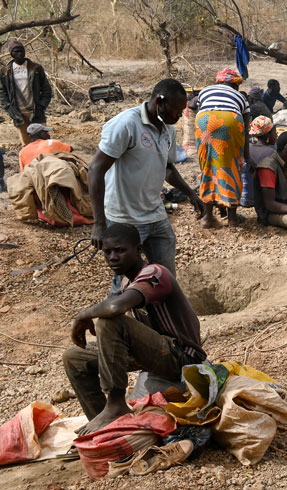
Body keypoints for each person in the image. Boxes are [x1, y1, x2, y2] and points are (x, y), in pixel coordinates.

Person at [63, 223, 206, 436]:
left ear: (138, 250)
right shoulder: (127, 283)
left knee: (109, 321)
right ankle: (104, 428)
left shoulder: (155, 273)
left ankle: (115, 404)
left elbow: (114, 308)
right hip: (157, 354)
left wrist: (83, 314)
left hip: (183, 357)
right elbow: (131, 329)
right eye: (108, 252)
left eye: (120, 250)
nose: (113, 257)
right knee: (75, 357)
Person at [88, 79, 204, 279]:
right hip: (125, 217)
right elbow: (96, 169)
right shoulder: (126, 124)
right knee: (126, 278)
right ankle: (120, 309)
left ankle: (161, 309)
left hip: (155, 214)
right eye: (176, 110)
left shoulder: (168, 129)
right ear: (160, 101)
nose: (178, 115)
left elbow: (167, 169)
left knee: (165, 275)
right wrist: (99, 223)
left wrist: (190, 194)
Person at [195, 68, 251, 228]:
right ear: (236, 85)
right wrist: (246, 155)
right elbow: (245, 130)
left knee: (208, 167)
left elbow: (197, 108)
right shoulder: (240, 97)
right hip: (230, 120)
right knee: (231, 166)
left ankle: (207, 217)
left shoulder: (205, 91)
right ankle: (232, 217)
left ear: (219, 81)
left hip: (204, 121)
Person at [0, 40, 52, 147]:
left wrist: (41, 105)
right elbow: (2, 91)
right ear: (11, 54)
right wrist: (9, 108)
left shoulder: (35, 68)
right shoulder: (5, 71)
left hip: (36, 111)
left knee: (43, 142)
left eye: (21, 51)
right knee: (27, 145)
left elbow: (47, 89)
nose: (20, 53)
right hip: (18, 114)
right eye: (16, 51)